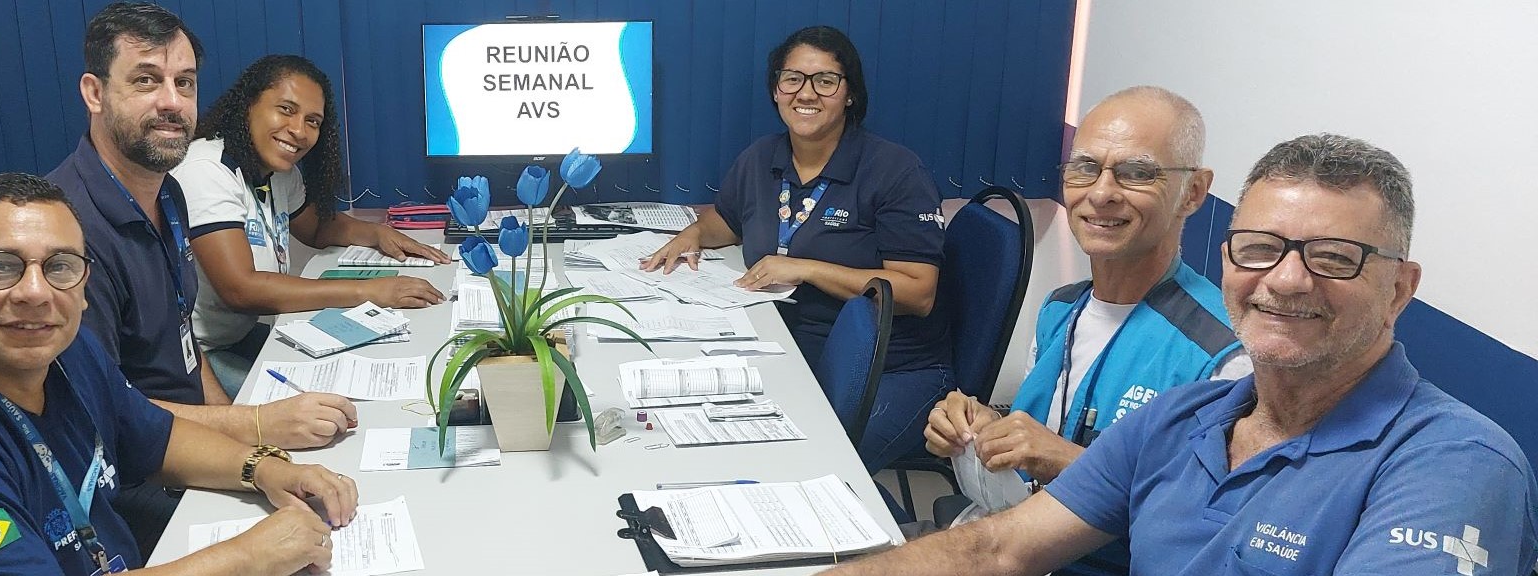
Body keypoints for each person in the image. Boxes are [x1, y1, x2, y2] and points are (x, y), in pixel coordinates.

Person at [821, 134, 1538, 575]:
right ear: (1228, 262)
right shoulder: (1182, 418)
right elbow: (998, 550)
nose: (1286, 280)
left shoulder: (1453, 465)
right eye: (1261, 249)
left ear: (1399, 289)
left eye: (1335, 258)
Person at [0, 173, 359, 575]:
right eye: (1, 266)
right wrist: (249, 556)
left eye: (59, 266)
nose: (35, 293)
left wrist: (264, 468)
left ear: (83, 282)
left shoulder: (63, 347)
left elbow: (150, 436)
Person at [42, 2, 357, 553]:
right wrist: (254, 430)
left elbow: (187, 348)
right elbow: (107, 420)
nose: (171, 101)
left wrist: (243, 435)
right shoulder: (68, 236)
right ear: (94, 93)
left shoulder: (168, 195)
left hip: (189, 443)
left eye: (183, 83)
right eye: (146, 80)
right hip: (128, 482)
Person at [921, 86, 1249, 573]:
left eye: (1137, 173)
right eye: (1085, 168)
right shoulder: (1061, 309)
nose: (1101, 193)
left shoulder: (1224, 356)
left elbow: (1214, 531)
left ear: (1194, 192)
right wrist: (982, 420)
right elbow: (1050, 424)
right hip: (1011, 543)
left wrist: (1068, 462)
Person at [640, 25, 951, 472]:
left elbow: (918, 292)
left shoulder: (895, 172)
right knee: (700, 436)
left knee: (815, 471)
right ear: (776, 89)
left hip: (891, 369)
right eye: (792, 79)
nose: (806, 93)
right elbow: (726, 222)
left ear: (850, 94)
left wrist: (806, 269)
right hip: (788, 349)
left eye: (825, 80)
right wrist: (692, 234)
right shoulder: (762, 157)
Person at [169, 54, 448, 393]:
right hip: (197, 355)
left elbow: (317, 228)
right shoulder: (206, 170)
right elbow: (240, 290)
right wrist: (367, 291)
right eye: (286, 109)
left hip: (236, 337)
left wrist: (379, 234)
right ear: (248, 106)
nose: (299, 131)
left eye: (313, 121)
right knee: (310, 409)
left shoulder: (277, 172)